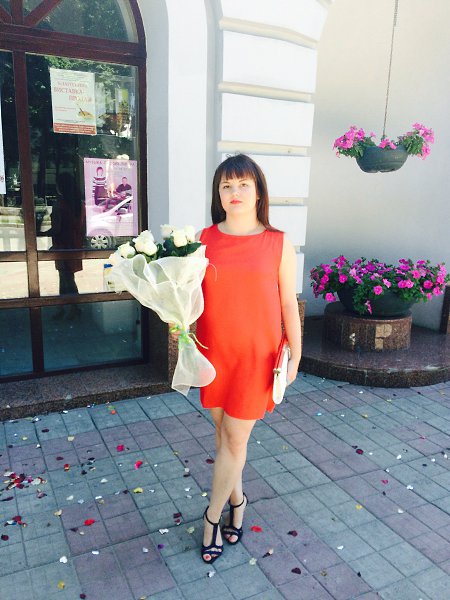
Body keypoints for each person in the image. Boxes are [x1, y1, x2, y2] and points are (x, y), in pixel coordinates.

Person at [171, 154, 302, 564]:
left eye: (244, 184)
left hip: (257, 356)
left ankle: (212, 517)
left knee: (234, 438)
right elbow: (190, 295)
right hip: (215, 352)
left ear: (259, 191)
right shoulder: (203, 240)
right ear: (218, 194)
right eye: (227, 186)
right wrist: (177, 319)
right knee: (225, 437)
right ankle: (238, 501)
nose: (235, 192)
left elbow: (287, 302)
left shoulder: (278, 242)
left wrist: (296, 354)